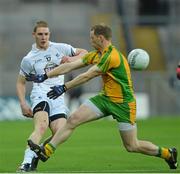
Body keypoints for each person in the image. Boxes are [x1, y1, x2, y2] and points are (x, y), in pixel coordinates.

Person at [26, 24, 178, 170]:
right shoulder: (98, 54)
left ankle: (168, 154)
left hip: (123, 104)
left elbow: (88, 75)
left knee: (132, 146)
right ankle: (47, 151)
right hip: (105, 99)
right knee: (73, 120)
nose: (90, 40)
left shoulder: (111, 57)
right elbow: (72, 65)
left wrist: (64, 87)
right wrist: (46, 75)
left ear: (100, 38)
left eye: (92, 38)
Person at [16, 20, 87, 172]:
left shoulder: (60, 48)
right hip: (40, 94)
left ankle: (37, 153)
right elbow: (20, 82)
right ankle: (26, 163)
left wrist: (70, 59)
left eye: (46, 34)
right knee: (41, 126)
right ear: (34, 35)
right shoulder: (29, 59)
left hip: (58, 96)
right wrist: (23, 103)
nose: (43, 37)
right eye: (40, 34)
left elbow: (85, 53)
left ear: (49, 34)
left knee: (60, 132)